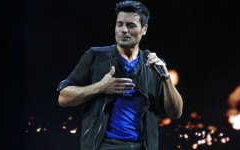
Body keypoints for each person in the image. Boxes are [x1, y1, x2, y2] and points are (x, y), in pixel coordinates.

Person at [57, 1, 183, 150]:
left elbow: (176, 113)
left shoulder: (153, 65)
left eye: (130, 25)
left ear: (144, 29)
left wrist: (165, 79)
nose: (124, 30)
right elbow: (63, 98)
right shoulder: (95, 57)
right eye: (119, 24)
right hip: (103, 146)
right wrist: (100, 87)